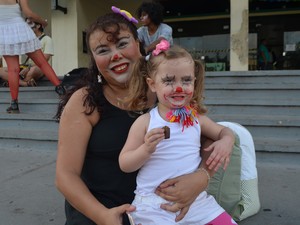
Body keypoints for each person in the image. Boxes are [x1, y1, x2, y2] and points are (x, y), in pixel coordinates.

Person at [55, 7, 229, 225]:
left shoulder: (167, 90)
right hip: (101, 213)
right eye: (102, 50)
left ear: (138, 45)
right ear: (94, 60)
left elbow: (205, 136)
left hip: (168, 210)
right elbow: (65, 176)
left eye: (122, 44)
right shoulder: (85, 101)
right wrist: (102, 216)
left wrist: (201, 179)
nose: (115, 55)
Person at [118, 40, 236, 224]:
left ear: (194, 83)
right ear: (152, 84)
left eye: (186, 80)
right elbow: (125, 163)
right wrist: (146, 150)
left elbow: (225, 132)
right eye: (169, 80)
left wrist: (226, 141)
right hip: (154, 206)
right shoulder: (145, 122)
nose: (179, 87)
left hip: (196, 202)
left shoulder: (197, 119)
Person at [0, 0, 65, 114]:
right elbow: (28, 14)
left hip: (5, 33)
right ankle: (61, 89)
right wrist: (43, 22)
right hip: (21, 30)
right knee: (42, 63)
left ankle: (14, 104)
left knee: (13, 69)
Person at [0, 18, 54, 87]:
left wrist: (28, 68)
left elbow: (44, 60)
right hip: (25, 66)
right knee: (1, 71)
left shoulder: (47, 39)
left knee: (32, 70)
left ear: (38, 26)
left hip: (40, 68)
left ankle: (15, 83)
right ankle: (25, 84)